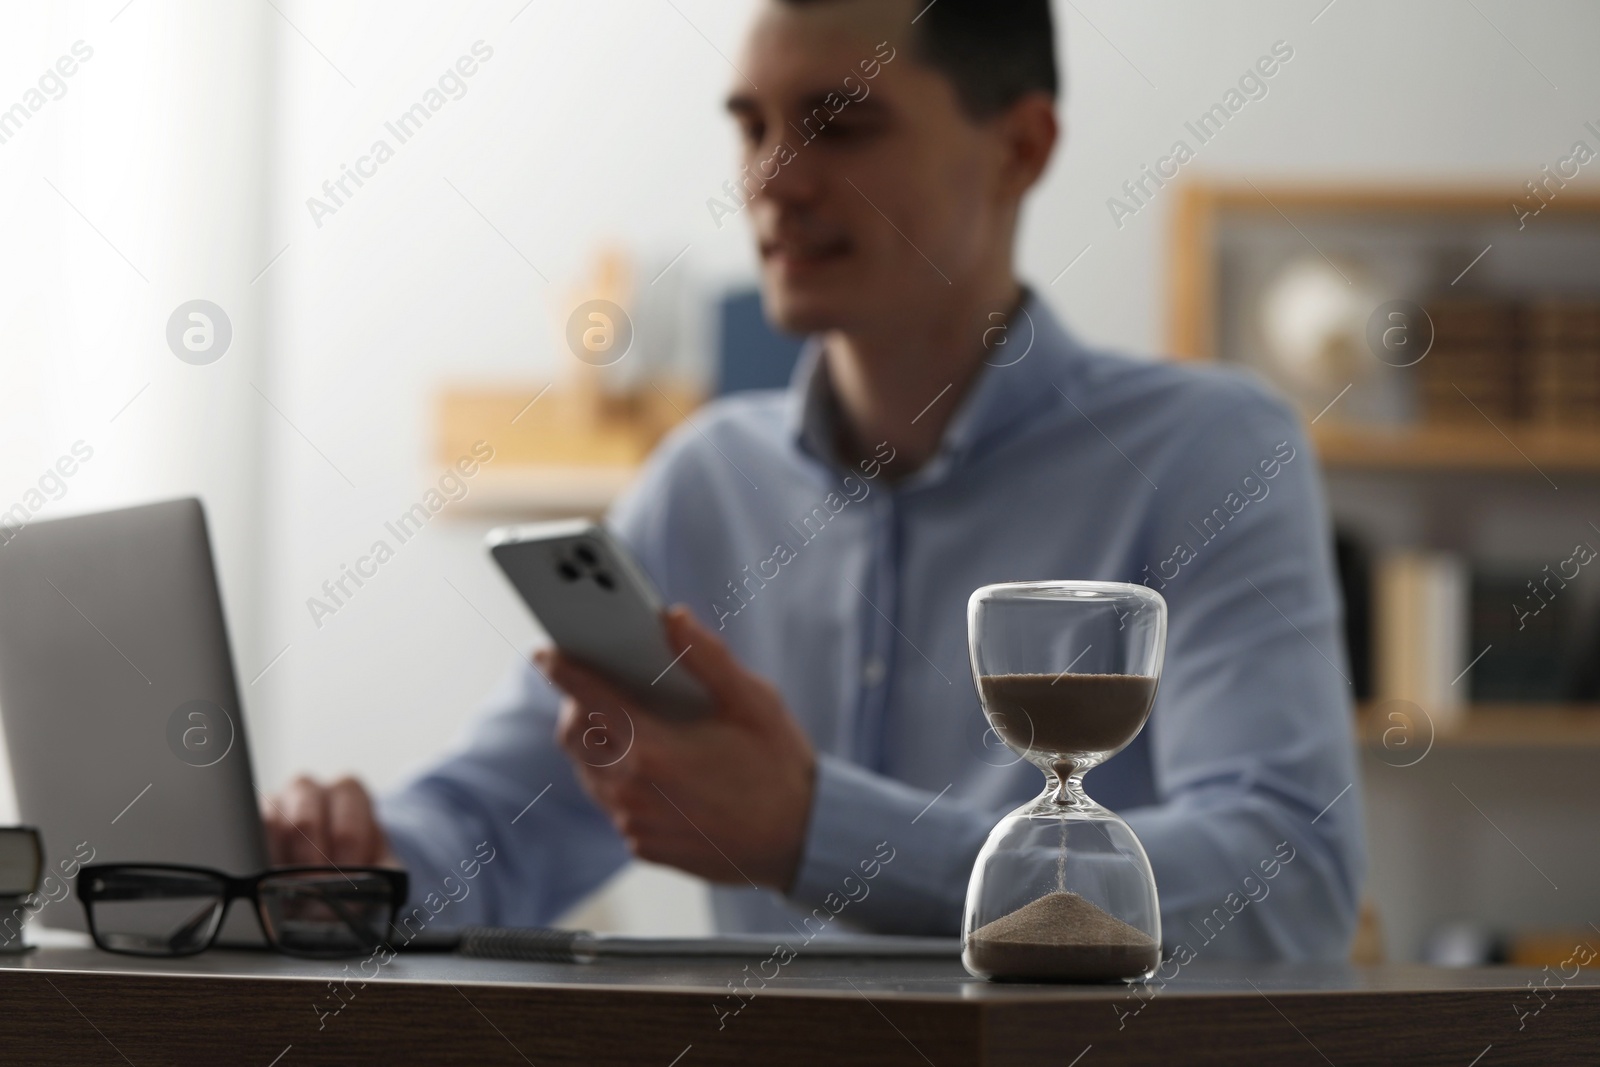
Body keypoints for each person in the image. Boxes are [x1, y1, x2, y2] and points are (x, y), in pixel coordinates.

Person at [265, 0, 1364, 960]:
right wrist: (357, 861)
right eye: (752, 125)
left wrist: (813, 829)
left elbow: (1286, 883)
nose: (772, 181)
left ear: (1020, 147)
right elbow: (505, 817)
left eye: (840, 124)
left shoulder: (1209, 454)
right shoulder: (702, 481)